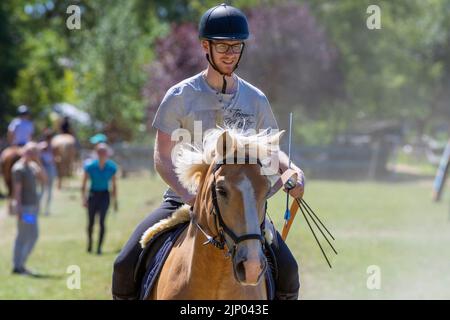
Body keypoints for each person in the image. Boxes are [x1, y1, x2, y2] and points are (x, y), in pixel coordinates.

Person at [112, 3, 305, 300]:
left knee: (288, 271)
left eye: (236, 46)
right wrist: (190, 197)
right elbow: (162, 157)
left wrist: (290, 168)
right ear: (206, 46)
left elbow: (270, 149)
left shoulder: (256, 99)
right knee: (124, 265)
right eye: (222, 45)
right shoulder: (179, 96)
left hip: (241, 206)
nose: (230, 52)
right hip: (183, 201)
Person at [11, 141, 47, 275]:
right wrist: (19, 208)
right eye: (31, 151)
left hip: (32, 207)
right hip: (25, 208)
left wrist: (38, 161)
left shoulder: (32, 166)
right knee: (26, 236)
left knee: (31, 235)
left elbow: (44, 179)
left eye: (35, 152)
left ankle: (20, 264)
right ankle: (18, 265)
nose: (33, 154)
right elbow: (17, 191)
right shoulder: (18, 168)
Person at [81, 143, 118, 255]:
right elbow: (83, 184)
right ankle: (90, 244)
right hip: (93, 195)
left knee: (102, 222)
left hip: (104, 195)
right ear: (96, 153)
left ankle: (99, 248)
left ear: (107, 154)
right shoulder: (90, 166)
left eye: (104, 152)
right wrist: (83, 198)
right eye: (100, 152)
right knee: (91, 222)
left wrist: (115, 201)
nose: (102, 154)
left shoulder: (111, 167)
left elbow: (114, 185)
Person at [38, 130, 57, 216]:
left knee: (43, 190)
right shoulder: (44, 147)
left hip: (46, 168)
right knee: (46, 190)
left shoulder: (51, 146)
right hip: (46, 169)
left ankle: (43, 209)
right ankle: (44, 209)